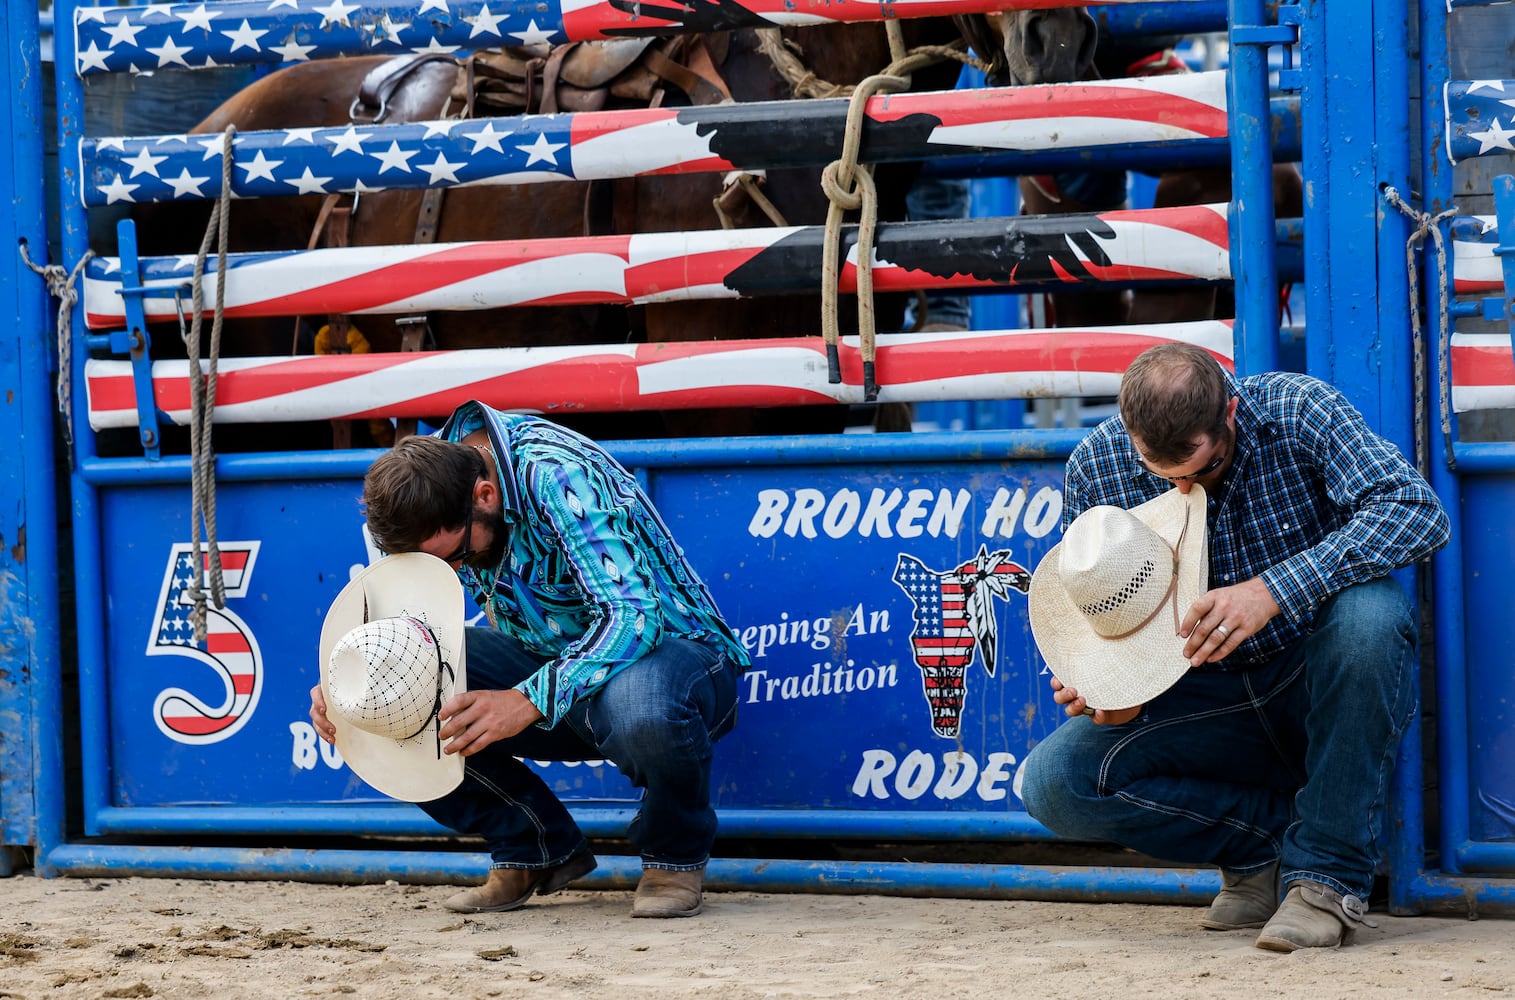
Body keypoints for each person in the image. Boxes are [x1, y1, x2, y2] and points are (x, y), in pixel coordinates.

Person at [1019, 342, 1449, 952]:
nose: (1185, 485)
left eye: (1202, 467)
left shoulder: (1299, 409)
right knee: (1053, 782)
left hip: (1312, 679)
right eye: (1162, 473)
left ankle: (1324, 881)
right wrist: (1110, 689)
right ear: (1133, 435)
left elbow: (1417, 512)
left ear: (1230, 411)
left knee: (1368, 616)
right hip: (1199, 697)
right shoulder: (1097, 462)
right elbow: (1102, 619)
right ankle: (1264, 850)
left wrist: (1274, 590)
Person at [310, 400, 749, 918]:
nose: (448, 571)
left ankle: (674, 862)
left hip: (678, 659)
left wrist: (526, 699)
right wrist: (348, 683)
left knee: (642, 701)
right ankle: (530, 850)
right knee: (391, 687)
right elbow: (394, 629)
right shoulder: (425, 503)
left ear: (485, 495)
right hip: (552, 664)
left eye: (456, 560)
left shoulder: (557, 474)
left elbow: (633, 618)